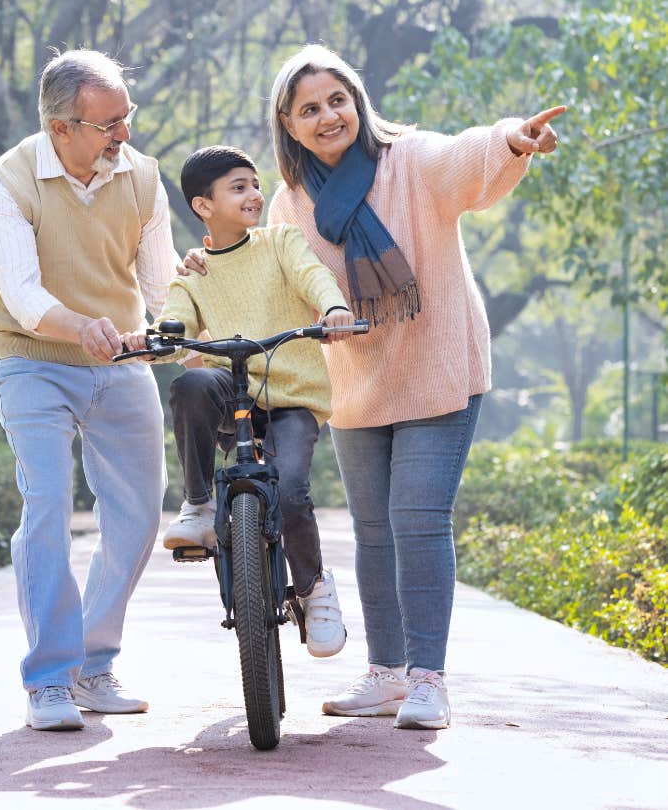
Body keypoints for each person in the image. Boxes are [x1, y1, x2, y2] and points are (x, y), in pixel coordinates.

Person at [183, 45, 563, 728]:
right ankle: (385, 673)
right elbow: (260, 270)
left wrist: (512, 138)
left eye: (337, 99)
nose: (328, 115)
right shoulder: (289, 202)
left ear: (357, 100)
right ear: (289, 125)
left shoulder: (410, 161)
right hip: (356, 379)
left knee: (417, 520)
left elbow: (467, 158)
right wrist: (201, 264)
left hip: (439, 364)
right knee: (372, 530)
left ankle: (428, 681)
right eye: (310, 109)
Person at [0, 49, 179, 731]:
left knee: (140, 517)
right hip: (32, 359)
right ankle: (49, 680)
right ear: (62, 128)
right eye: (107, 124)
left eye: (126, 117)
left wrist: (188, 309)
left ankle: (94, 664)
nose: (122, 133)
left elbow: (160, 285)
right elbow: (23, 295)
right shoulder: (7, 182)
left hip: (120, 358)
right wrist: (78, 326)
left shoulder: (142, 178)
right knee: (48, 507)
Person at [123, 144, 355, 658]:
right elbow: (174, 324)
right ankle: (199, 506)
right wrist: (150, 340)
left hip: (293, 398)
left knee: (291, 491)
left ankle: (314, 591)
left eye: (255, 184)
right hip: (235, 397)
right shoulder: (194, 271)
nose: (254, 195)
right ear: (203, 206)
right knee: (191, 383)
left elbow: (312, 276)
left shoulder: (280, 242)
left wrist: (333, 306)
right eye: (238, 188)